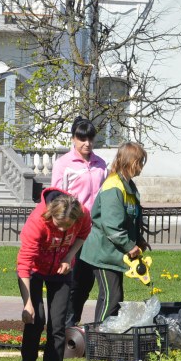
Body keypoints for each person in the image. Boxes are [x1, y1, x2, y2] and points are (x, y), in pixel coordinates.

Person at [16, 188, 91, 361]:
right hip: (34, 271)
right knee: (36, 319)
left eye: (69, 226)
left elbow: (84, 233)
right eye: (60, 225)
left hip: (61, 271)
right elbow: (23, 264)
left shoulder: (82, 214)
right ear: (51, 215)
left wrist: (69, 257)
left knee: (57, 327)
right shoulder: (37, 222)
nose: (64, 229)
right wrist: (27, 303)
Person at [80, 141, 148, 323]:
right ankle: (100, 336)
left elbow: (129, 220)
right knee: (112, 296)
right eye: (140, 162)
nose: (142, 167)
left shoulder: (127, 186)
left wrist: (139, 240)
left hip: (113, 253)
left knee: (112, 296)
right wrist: (129, 246)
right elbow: (112, 226)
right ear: (131, 162)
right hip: (103, 252)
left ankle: (103, 335)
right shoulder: (114, 186)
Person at [51, 117, 108, 327]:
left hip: (95, 231)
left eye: (90, 138)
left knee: (86, 281)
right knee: (72, 279)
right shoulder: (63, 164)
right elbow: (55, 198)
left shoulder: (100, 164)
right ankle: (64, 324)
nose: (87, 143)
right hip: (73, 230)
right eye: (82, 138)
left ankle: (74, 322)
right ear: (74, 139)